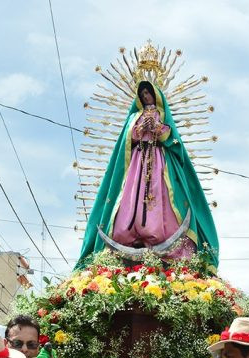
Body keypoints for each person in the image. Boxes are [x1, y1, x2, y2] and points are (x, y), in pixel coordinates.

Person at [77, 80, 219, 268]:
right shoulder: (135, 116)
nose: (146, 97)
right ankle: (130, 233)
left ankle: (159, 233)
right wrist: (140, 129)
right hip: (138, 162)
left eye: (148, 93)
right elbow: (128, 138)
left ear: (155, 95)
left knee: (160, 194)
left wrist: (157, 128)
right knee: (132, 195)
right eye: (142, 95)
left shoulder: (162, 114)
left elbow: (172, 138)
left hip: (159, 161)